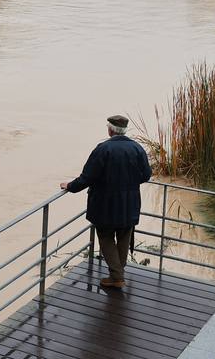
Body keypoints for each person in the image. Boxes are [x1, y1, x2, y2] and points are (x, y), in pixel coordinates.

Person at [60, 114, 152, 289]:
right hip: (130, 203)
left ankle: (117, 277)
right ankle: (117, 274)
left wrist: (70, 186)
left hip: (105, 204)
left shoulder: (103, 149)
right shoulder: (137, 148)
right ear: (124, 130)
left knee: (105, 236)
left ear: (110, 130)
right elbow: (146, 175)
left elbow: (87, 177)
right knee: (124, 236)